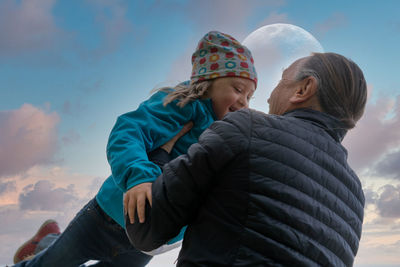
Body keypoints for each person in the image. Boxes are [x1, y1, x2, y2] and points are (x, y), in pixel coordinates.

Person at [12, 30, 257, 267]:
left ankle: (48, 242)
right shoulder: (183, 106)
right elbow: (129, 131)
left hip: (149, 240)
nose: (243, 103)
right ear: (207, 82)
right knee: (53, 263)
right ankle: (47, 246)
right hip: (108, 217)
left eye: (249, 97)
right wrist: (138, 178)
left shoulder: (225, 138)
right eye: (237, 89)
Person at [126, 52, 367, 267]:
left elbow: (146, 228)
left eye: (281, 81)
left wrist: (161, 153)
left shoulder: (250, 126)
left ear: (303, 90)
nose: (270, 98)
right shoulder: (355, 197)